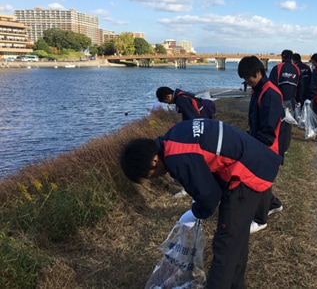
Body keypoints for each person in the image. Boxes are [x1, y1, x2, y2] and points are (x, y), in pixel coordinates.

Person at [120, 118, 282, 289]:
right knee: (236, 237)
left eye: (149, 176)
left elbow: (210, 197)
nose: (155, 178)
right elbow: (205, 168)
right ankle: (235, 285)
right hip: (255, 158)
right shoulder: (173, 135)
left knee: (226, 242)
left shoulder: (177, 158)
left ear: (154, 161)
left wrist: (195, 211)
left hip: (247, 171)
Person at [238, 55, 284, 234]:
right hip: (258, 140)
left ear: (259, 72)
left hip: (268, 145)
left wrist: (255, 147)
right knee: (260, 179)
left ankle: (260, 219)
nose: (247, 81)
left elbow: (269, 128)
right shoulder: (258, 88)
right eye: (244, 78)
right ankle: (274, 204)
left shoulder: (270, 93)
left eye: (249, 77)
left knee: (259, 181)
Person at [268, 49, 301, 154]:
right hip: (291, 100)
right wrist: (300, 100)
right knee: (287, 124)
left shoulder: (277, 68)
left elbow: (271, 86)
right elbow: (300, 86)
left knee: (276, 122)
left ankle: (275, 144)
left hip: (278, 100)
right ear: (291, 58)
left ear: (282, 57)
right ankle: (285, 148)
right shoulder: (297, 69)